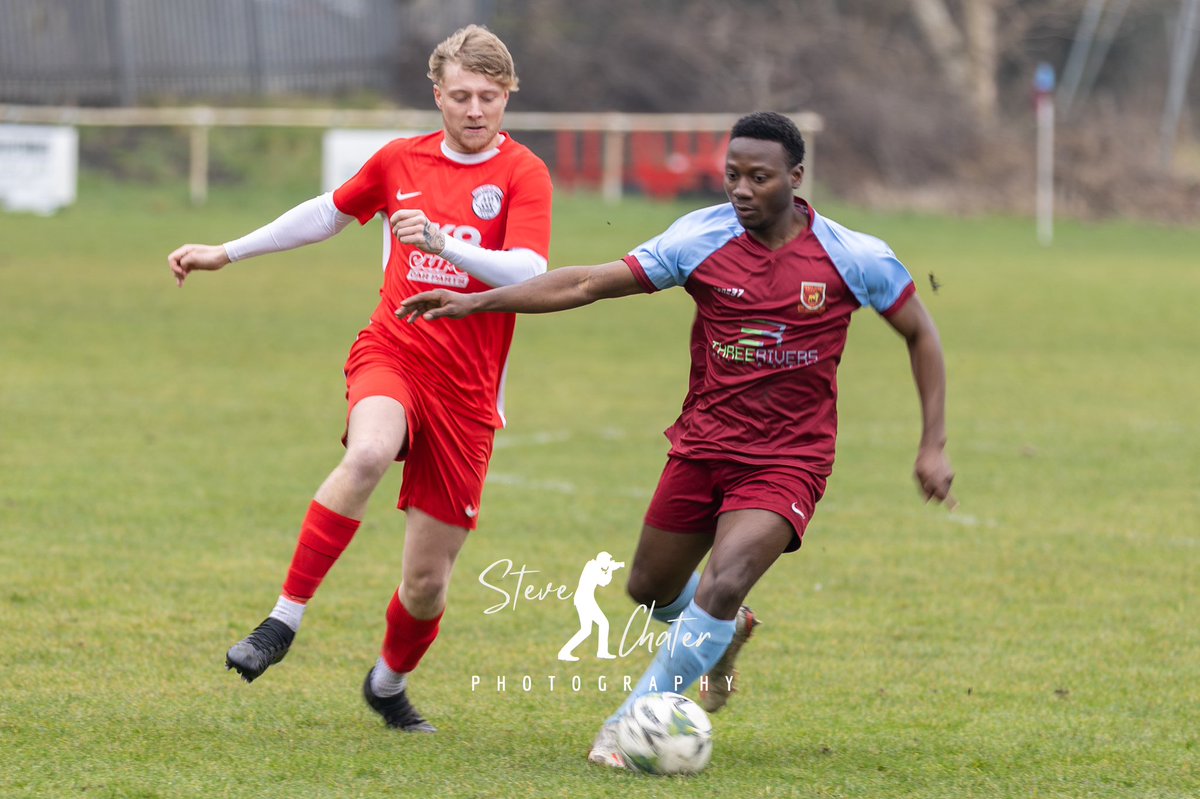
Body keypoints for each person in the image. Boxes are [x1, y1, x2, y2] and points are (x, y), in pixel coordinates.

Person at [397, 111, 955, 765]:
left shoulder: (852, 256)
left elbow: (921, 332)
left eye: (759, 177)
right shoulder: (701, 238)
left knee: (725, 580)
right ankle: (725, 634)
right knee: (649, 588)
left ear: (796, 178)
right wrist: (479, 301)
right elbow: (586, 282)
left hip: (788, 457)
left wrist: (932, 443)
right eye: (732, 175)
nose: (741, 189)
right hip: (703, 444)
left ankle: (629, 723)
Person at [166, 25, 553, 733]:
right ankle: (282, 620)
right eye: (461, 96)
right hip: (395, 349)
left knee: (427, 582)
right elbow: (327, 212)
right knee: (369, 450)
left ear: (508, 97)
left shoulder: (523, 172)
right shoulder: (400, 160)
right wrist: (229, 251)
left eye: (489, 97)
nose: (474, 110)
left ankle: (387, 682)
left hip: (468, 391)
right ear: (437, 95)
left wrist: (441, 244)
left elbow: (530, 272)